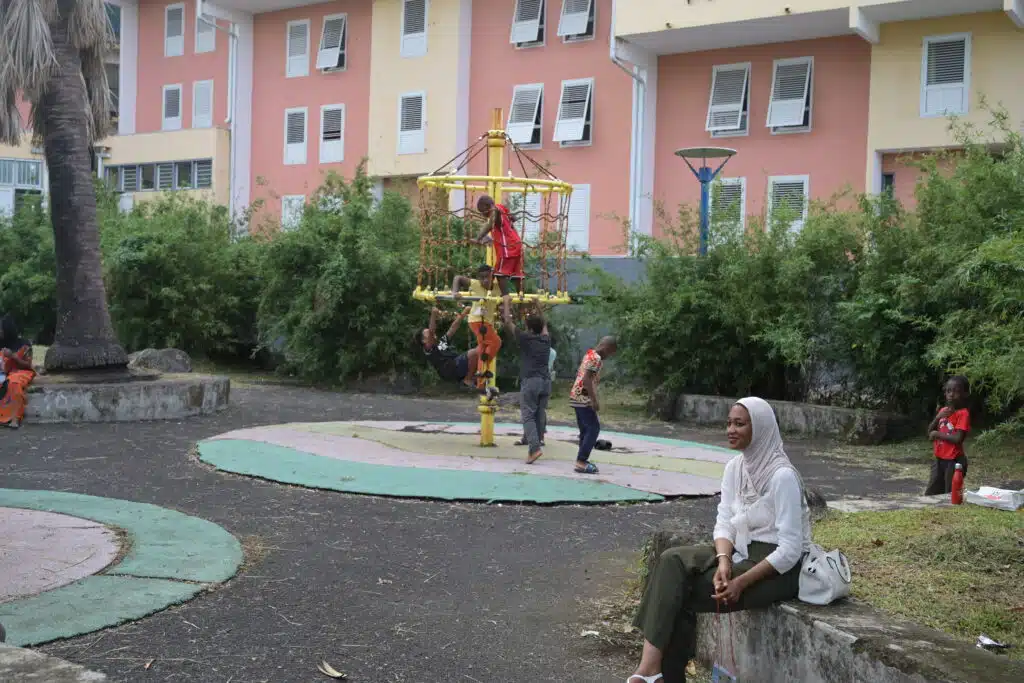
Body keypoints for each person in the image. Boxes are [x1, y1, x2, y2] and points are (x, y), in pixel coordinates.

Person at [627, 397, 811, 683]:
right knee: (671, 559)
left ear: (760, 428)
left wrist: (740, 582)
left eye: (740, 423)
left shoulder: (782, 477)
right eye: (728, 423)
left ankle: (655, 674)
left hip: (778, 568)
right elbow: (724, 520)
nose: (730, 429)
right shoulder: (735, 468)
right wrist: (724, 560)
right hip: (738, 552)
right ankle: (651, 670)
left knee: (681, 593)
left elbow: (790, 550)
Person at [501, 294, 551, 464]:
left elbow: (507, 322)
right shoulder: (545, 340)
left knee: (528, 416)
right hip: (546, 382)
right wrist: (538, 305)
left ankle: (534, 449)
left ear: (529, 328)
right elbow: (544, 323)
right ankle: (536, 443)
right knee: (538, 414)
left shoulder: (525, 339)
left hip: (531, 381)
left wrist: (506, 302)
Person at [416, 306, 496, 399]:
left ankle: (477, 379)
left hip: (456, 367)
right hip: (451, 370)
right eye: (428, 334)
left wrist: (464, 312)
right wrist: (433, 315)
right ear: (423, 341)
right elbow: (432, 330)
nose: (432, 334)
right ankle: (468, 379)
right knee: (476, 351)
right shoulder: (428, 349)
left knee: (483, 349)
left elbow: (453, 328)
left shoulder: (441, 344)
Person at [568, 336, 617, 474]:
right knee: (594, 428)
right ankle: (581, 461)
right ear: (607, 348)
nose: (609, 356)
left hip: (576, 396)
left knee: (585, 430)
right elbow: (587, 379)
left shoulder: (589, 354)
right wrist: (594, 400)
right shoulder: (596, 358)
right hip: (584, 398)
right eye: (611, 353)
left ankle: (581, 459)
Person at [452, 265, 503, 391]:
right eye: (482, 278)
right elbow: (458, 278)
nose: (485, 280)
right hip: (477, 321)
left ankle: (479, 381)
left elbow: (502, 300)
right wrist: (455, 291)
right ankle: (481, 373)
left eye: (487, 277)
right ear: (478, 278)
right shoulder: (475, 284)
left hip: (487, 322)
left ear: (492, 276)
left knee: (483, 348)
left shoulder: (498, 286)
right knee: (496, 342)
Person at [924, 375, 971, 496]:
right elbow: (929, 432)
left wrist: (937, 434)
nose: (951, 394)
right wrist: (937, 418)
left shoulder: (963, 414)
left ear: (965, 394)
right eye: (948, 391)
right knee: (931, 493)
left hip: (954, 461)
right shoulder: (943, 411)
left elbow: (958, 439)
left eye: (956, 391)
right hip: (939, 460)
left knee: (950, 494)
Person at [474, 195, 524, 296]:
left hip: (507, 247)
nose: (483, 215)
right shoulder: (501, 207)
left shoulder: (494, 211)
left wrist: (478, 238)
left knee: (499, 273)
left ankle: (505, 297)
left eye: (483, 212)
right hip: (516, 243)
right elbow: (513, 217)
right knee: (517, 274)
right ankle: (521, 297)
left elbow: (489, 225)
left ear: (487, 206)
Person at [1, 314, 35, 429]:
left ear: (7, 330)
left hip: (21, 372)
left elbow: (28, 365)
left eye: (1, 329)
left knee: (14, 383)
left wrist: (13, 356)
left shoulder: (24, 344)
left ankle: (14, 417)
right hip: (4, 372)